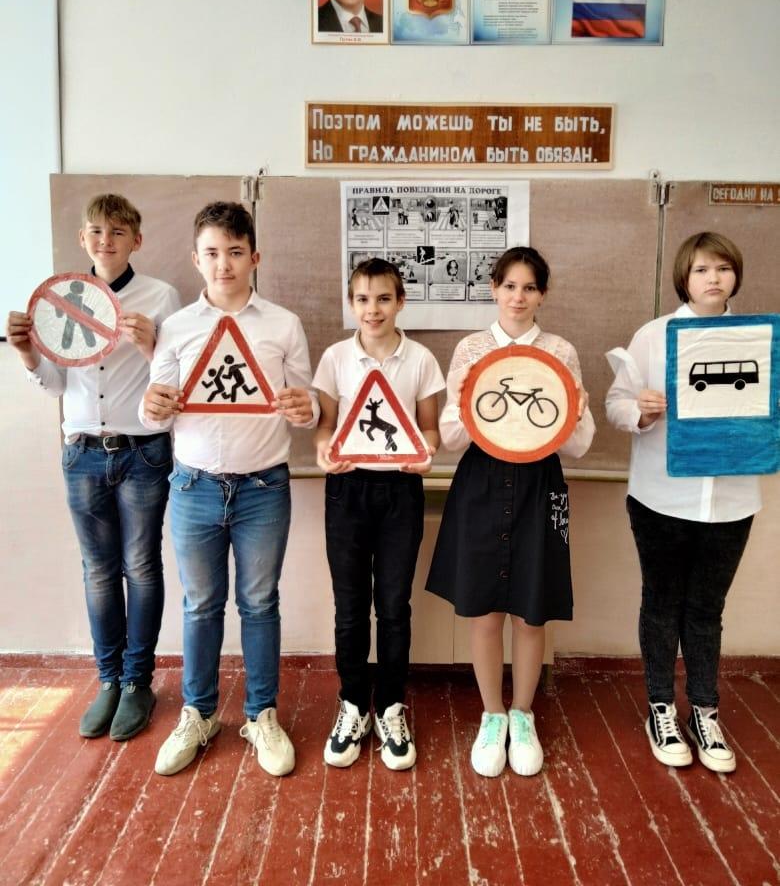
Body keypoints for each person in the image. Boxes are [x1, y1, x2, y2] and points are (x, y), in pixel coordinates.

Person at [141, 201, 318, 778]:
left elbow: (307, 404)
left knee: (260, 604)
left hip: (264, 486)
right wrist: (150, 407)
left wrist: (307, 408)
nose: (224, 264)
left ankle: (262, 714)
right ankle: (198, 714)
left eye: (236, 253)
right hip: (192, 484)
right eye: (213, 253)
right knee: (200, 605)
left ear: (255, 258)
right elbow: (156, 405)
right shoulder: (176, 327)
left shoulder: (284, 324)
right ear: (196, 259)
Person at [5, 194, 180, 742]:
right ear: (83, 239)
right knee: (98, 570)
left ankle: (137, 682)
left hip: (143, 450)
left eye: (118, 231)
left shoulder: (161, 296)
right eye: (97, 231)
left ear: (136, 241)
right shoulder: (61, 301)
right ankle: (108, 680)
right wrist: (28, 354)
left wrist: (152, 346)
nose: (106, 240)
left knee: (141, 566)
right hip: (82, 451)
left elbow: (177, 377)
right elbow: (55, 385)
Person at [426, 247, 594, 777]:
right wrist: (460, 397)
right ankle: (492, 715)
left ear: (543, 293)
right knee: (483, 610)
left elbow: (579, 446)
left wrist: (577, 408)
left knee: (530, 610)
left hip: (538, 485)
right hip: (481, 483)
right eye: (509, 286)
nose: (518, 297)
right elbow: (452, 439)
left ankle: (523, 715)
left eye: (529, 287)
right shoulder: (471, 348)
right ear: (493, 289)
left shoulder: (560, 351)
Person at [605, 232, 761, 774]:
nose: (713, 278)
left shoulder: (758, 339)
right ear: (683, 278)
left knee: (706, 609)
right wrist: (641, 410)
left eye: (722, 268)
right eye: (700, 270)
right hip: (660, 497)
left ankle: (704, 711)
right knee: (661, 604)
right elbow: (616, 404)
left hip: (732, 500)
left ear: (735, 275)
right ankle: (661, 709)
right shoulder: (654, 336)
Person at [313, 258, 444, 770]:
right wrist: (324, 450)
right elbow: (326, 427)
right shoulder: (335, 358)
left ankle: (390, 706)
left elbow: (429, 429)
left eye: (384, 298)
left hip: (400, 491)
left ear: (400, 302)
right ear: (351, 304)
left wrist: (425, 453)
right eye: (363, 299)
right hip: (346, 490)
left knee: (393, 606)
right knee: (349, 606)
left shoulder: (421, 359)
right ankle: (352, 704)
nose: (373, 309)